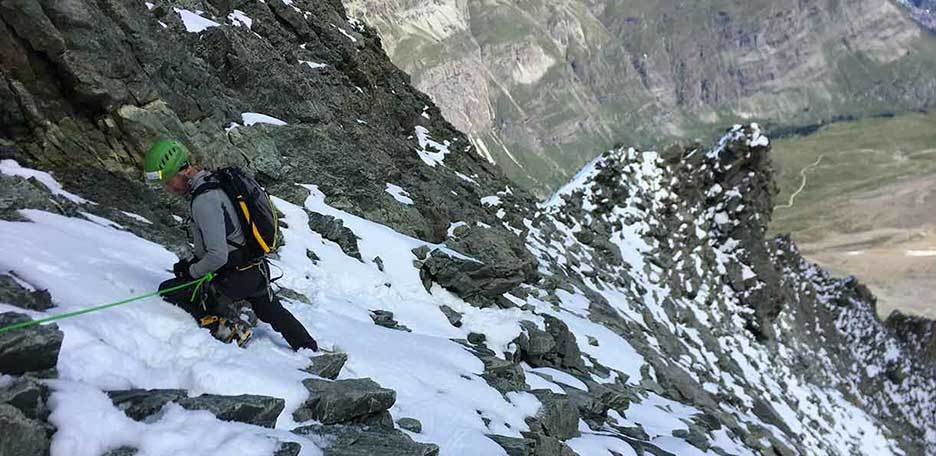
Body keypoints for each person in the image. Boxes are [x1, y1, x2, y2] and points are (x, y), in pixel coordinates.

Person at [143, 139, 318, 351]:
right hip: (255, 270)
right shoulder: (214, 181)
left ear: (182, 172)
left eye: (168, 181)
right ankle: (308, 347)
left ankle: (230, 329)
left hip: (232, 276)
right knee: (272, 311)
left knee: (169, 290)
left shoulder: (204, 200)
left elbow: (217, 256)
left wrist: (191, 271)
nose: (168, 188)